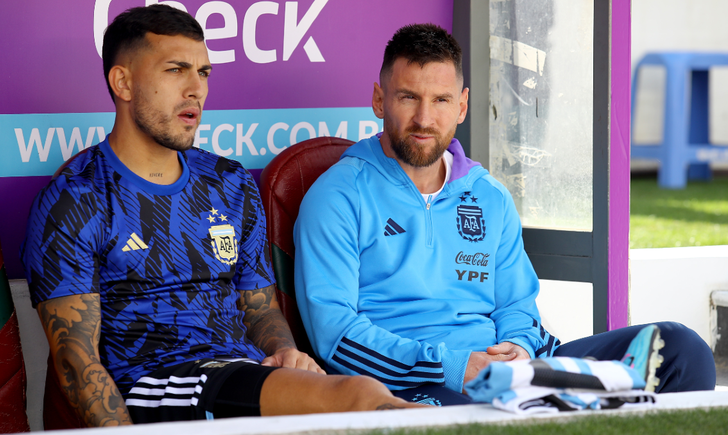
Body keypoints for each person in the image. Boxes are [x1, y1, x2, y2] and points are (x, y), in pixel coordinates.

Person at [21, 5, 422, 427]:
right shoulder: (77, 197)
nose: (196, 88)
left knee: (362, 400)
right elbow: (74, 360)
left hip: (239, 373)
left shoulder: (228, 181)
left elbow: (260, 308)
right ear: (123, 82)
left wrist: (285, 352)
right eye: (176, 70)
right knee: (355, 397)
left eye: (204, 73)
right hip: (157, 382)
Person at [293, 23, 716, 406]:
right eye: (409, 97)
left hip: (513, 370)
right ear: (379, 99)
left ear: (461, 107)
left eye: (440, 100)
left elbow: (516, 302)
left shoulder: (488, 195)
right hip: (413, 384)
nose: (424, 118)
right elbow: (336, 336)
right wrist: (452, 366)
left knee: (682, 349)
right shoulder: (337, 196)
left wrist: (519, 345)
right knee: (493, 417)